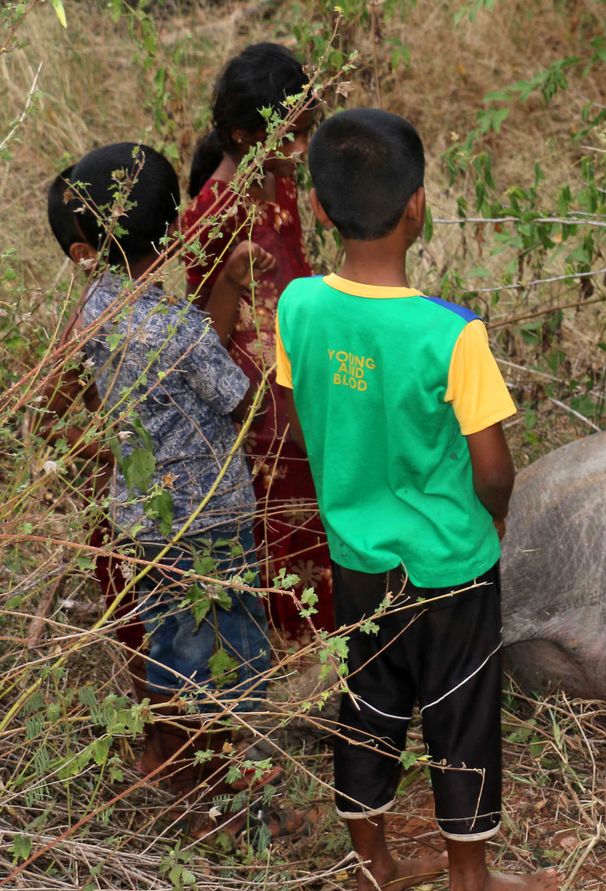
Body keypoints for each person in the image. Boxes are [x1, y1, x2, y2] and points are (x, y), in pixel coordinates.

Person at [275, 108, 560, 891]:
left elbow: (296, 415)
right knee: (460, 715)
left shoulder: (300, 307)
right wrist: (490, 523)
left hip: (358, 559)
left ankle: (373, 876)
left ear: (320, 211)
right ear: (418, 208)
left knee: (367, 711)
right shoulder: (451, 335)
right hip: (449, 568)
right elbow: (494, 469)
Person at [47, 142, 305, 839]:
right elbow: (230, 391)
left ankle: (185, 789)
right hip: (207, 523)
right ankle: (230, 812)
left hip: (146, 523)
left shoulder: (96, 311)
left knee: (174, 656)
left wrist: (220, 287)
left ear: (81, 250)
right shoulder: (173, 325)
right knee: (231, 670)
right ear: (170, 232)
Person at [180, 42, 334, 645]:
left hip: (300, 381)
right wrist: (228, 282)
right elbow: (202, 337)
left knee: (317, 522)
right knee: (283, 534)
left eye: (306, 132)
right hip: (257, 411)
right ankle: (292, 664)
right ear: (245, 136)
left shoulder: (277, 183)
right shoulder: (211, 214)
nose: (302, 151)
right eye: (290, 137)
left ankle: (325, 653)